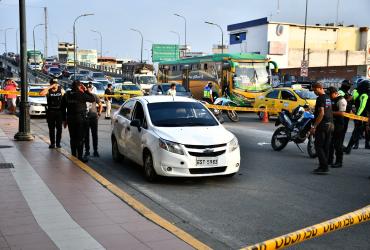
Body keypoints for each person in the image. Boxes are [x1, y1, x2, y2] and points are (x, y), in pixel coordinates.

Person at [61, 80, 95, 162]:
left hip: (70, 119)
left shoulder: (67, 94)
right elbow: (92, 99)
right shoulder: (82, 94)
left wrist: (64, 120)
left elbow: (62, 108)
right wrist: (86, 89)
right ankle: (79, 156)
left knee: (73, 138)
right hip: (81, 119)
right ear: (79, 86)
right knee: (80, 138)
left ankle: (73, 155)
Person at [310, 82, 334, 174]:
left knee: (318, 146)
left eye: (315, 90)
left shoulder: (320, 98)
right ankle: (323, 165)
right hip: (330, 124)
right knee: (325, 147)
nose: (314, 92)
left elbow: (322, 113)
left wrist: (314, 126)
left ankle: (324, 167)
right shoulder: (327, 97)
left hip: (323, 125)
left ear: (320, 88)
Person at [344, 79, 370, 153]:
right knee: (357, 133)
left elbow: (362, 106)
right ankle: (349, 148)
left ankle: (348, 148)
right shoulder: (367, 93)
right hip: (366, 117)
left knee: (356, 132)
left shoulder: (364, 95)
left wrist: (357, 116)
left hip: (363, 117)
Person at [39, 79, 65, 149]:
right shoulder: (48, 90)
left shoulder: (61, 90)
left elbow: (65, 99)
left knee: (59, 129)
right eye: (53, 83)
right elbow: (41, 93)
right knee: (51, 129)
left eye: (56, 83)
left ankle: (58, 143)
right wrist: (49, 87)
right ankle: (52, 143)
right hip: (51, 111)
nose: (55, 84)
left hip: (59, 111)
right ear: (50, 83)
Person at [327, 87, 347, 168]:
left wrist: (330, 113)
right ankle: (329, 160)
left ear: (335, 93)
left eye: (330, 94)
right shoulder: (329, 99)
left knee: (337, 144)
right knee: (330, 143)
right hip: (331, 123)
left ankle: (339, 162)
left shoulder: (341, 100)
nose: (329, 96)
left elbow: (342, 113)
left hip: (339, 124)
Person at [84, 83, 103, 158]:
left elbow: (100, 105)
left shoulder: (95, 96)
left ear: (91, 89)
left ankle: (95, 150)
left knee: (94, 135)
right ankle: (87, 151)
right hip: (85, 118)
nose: (88, 89)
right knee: (86, 135)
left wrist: (99, 113)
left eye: (90, 88)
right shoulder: (83, 96)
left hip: (93, 118)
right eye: (87, 88)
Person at [338, 80, 353, 146]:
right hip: (341, 114)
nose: (349, 86)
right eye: (348, 85)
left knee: (344, 130)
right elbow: (340, 101)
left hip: (346, 114)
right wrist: (348, 99)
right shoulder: (340, 92)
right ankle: (338, 144)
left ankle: (341, 143)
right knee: (341, 130)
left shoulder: (346, 92)